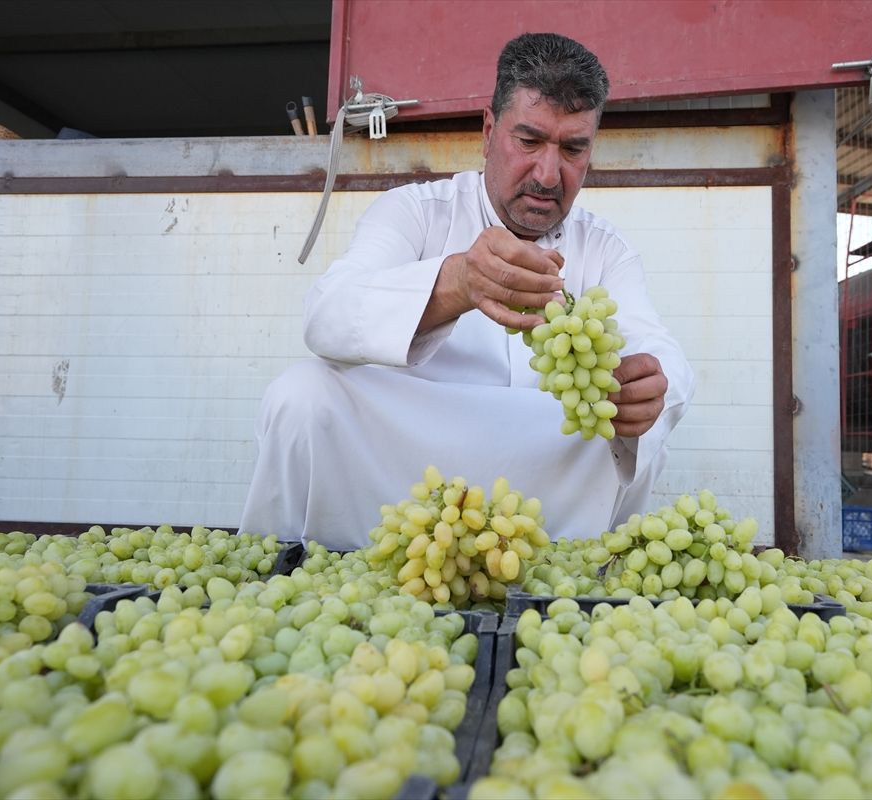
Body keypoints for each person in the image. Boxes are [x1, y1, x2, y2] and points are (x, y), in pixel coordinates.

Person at [240, 32, 694, 549]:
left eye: (573, 149)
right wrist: (454, 283)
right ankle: (282, 560)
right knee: (301, 393)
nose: (549, 173)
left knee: (635, 433)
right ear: (487, 130)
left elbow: (662, 355)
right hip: (409, 459)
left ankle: (581, 573)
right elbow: (326, 315)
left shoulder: (606, 248)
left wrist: (651, 388)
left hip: (542, 463)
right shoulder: (415, 211)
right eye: (528, 141)